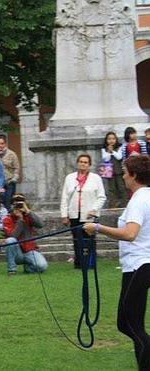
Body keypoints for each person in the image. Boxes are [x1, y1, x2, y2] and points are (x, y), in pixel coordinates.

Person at [83, 155, 150, 370]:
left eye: (125, 172)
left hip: (138, 265)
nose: (122, 177)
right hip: (139, 264)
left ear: (134, 175)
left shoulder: (140, 199)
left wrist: (98, 228)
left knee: (128, 323)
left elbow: (130, 234)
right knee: (132, 323)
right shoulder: (145, 196)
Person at [60, 154, 106, 269]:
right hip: (74, 213)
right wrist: (64, 215)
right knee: (77, 239)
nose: (83, 164)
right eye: (81, 161)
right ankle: (79, 263)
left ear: (89, 165)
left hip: (89, 215)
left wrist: (94, 209)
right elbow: (64, 197)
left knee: (89, 239)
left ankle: (90, 263)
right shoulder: (70, 178)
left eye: (85, 162)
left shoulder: (96, 178)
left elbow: (101, 197)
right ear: (77, 163)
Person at [2, 194, 47, 275]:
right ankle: (11, 269)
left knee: (42, 266)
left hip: (29, 250)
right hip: (16, 253)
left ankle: (28, 268)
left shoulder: (29, 216)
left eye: (20, 205)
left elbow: (41, 225)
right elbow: (13, 236)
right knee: (10, 240)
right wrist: (20, 220)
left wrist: (28, 211)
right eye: (15, 205)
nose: (17, 207)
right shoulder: (7, 219)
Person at [100, 131, 128, 208]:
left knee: (122, 188)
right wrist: (108, 151)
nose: (111, 140)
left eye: (113, 139)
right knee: (111, 189)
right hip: (109, 172)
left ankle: (125, 204)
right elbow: (105, 159)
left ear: (116, 139)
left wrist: (112, 151)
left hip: (119, 171)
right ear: (106, 140)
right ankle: (112, 205)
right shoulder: (104, 149)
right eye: (109, 139)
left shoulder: (120, 147)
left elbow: (119, 157)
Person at [0, 135, 20, 207]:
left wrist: (14, 179)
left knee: (8, 202)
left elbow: (16, 168)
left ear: (5, 144)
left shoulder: (12, 154)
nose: (0, 145)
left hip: (9, 182)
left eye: (2, 143)